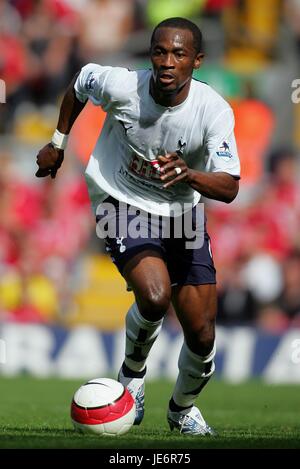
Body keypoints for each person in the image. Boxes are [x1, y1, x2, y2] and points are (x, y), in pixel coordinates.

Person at [36, 17, 240, 435]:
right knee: (154, 295)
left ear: (196, 61)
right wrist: (58, 143)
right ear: (150, 55)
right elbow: (80, 81)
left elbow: (230, 186)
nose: (167, 62)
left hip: (183, 214)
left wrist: (191, 175)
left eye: (179, 54)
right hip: (120, 199)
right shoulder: (121, 85)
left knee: (202, 336)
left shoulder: (213, 110)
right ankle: (132, 377)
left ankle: (182, 411)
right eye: (160, 52)